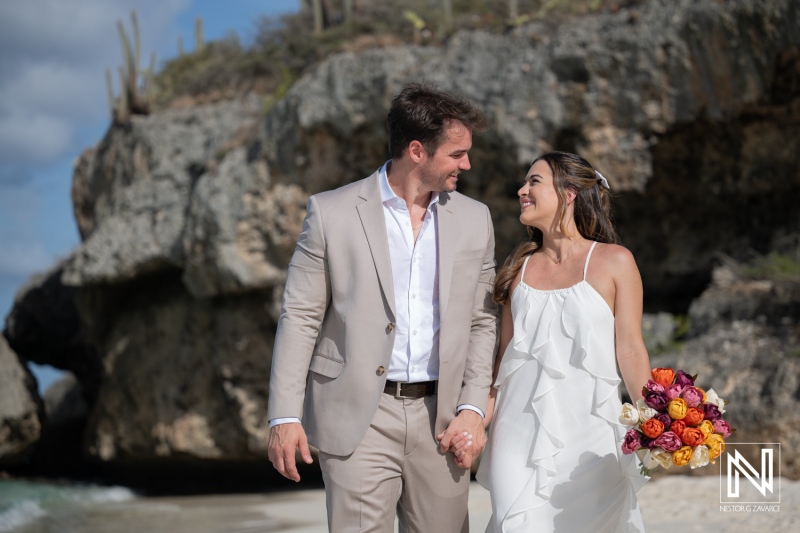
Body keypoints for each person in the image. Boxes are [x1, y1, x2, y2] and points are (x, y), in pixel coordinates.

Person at [267, 83, 498, 532]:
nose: (466, 164)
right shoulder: (330, 212)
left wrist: (473, 406)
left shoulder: (475, 218)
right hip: (357, 416)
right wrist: (285, 415)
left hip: (444, 417)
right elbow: (300, 317)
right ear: (417, 150)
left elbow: (482, 321)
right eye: (456, 154)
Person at [454, 151, 650, 532]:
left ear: (570, 192)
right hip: (517, 434)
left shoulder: (616, 261)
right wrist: (475, 419)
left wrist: (658, 421)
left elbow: (630, 349)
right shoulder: (518, 269)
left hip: (593, 435)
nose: (521, 190)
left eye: (534, 182)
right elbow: (502, 364)